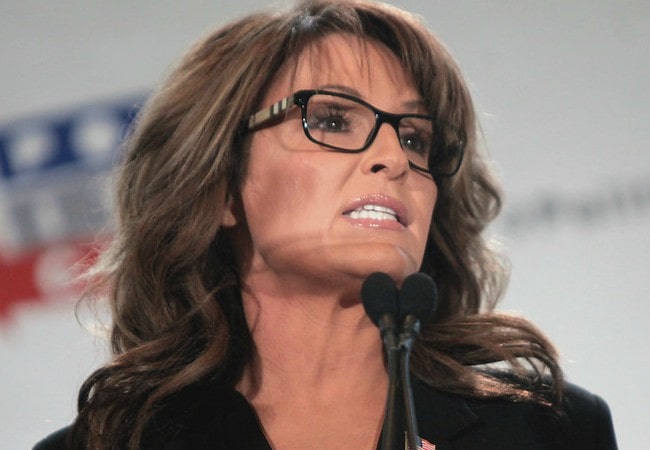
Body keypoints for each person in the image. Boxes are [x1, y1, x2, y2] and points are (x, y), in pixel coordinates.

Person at [34, 0, 617, 449]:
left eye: (415, 136)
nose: (393, 156)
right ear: (220, 190)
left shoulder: (545, 430)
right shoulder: (108, 445)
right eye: (333, 120)